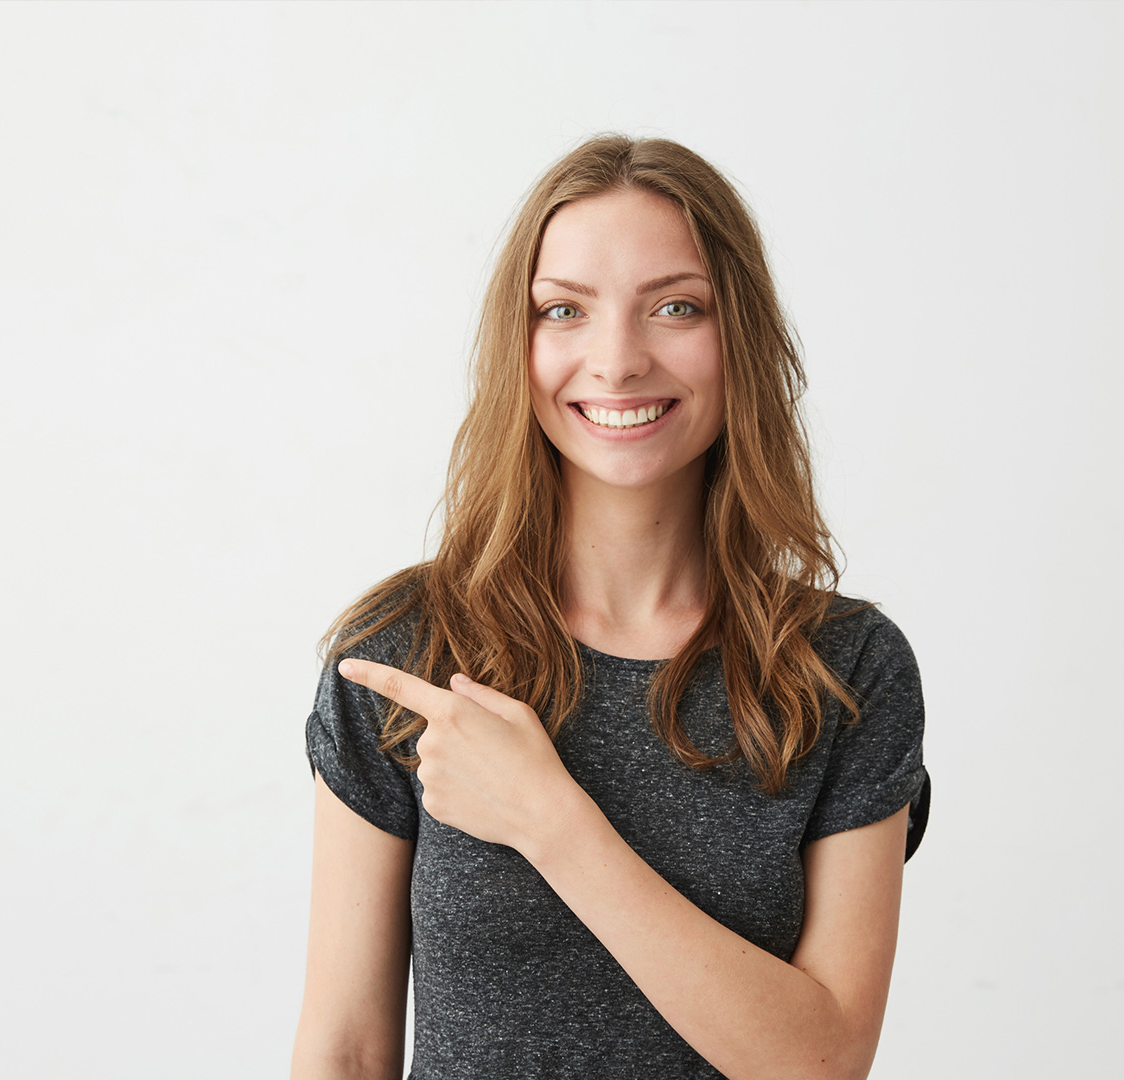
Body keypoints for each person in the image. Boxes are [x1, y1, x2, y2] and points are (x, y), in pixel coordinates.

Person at [291, 135, 929, 1080]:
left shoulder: (843, 670)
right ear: (522, 343)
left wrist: (554, 823)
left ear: (739, 338)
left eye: (676, 307)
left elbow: (822, 1061)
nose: (618, 361)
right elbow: (344, 1051)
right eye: (565, 310)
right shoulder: (411, 652)